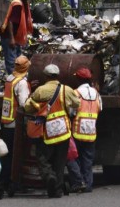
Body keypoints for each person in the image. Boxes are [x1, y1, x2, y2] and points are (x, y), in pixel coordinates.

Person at [24, 64, 80, 198]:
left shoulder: (40, 91)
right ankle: (57, 191)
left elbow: (27, 107)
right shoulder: (66, 90)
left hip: (46, 132)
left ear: (45, 76)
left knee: (43, 158)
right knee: (60, 162)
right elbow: (77, 103)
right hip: (63, 132)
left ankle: (49, 176)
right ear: (58, 75)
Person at [0, 55, 32, 193]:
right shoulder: (22, 83)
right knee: (16, 156)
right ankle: (14, 183)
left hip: (6, 120)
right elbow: (24, 104)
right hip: (16, 123)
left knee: (7, 156)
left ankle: (3, 182)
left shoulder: (10, 79)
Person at [66, 67, 102, 193]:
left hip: (77, 131)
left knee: (73, 157)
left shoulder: (76, 93)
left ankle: (78, 181)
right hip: (91, 132)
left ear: (78, 79)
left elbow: (71, 111)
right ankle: (88, 184)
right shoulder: (96, 93)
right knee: (87, 160)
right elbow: (100, 109)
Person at [0, 0, 34, 75]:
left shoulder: (23, 3)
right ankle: (14, 84)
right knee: (12, 63)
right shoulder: (18, 4)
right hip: (10, 37)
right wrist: (12, 39)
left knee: (18, 62)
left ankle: (18, 81)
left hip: (16, 37)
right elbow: (10, 21)